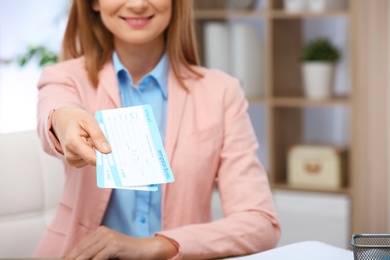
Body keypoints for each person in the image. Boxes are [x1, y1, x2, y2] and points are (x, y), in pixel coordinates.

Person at [34, 0, 281, 259]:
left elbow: (261, 223)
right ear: (94, 3)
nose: (138, 4)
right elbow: (56, 111)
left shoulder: (221, 92)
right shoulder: (65, 78)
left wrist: (159, 246)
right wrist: (64, 122)